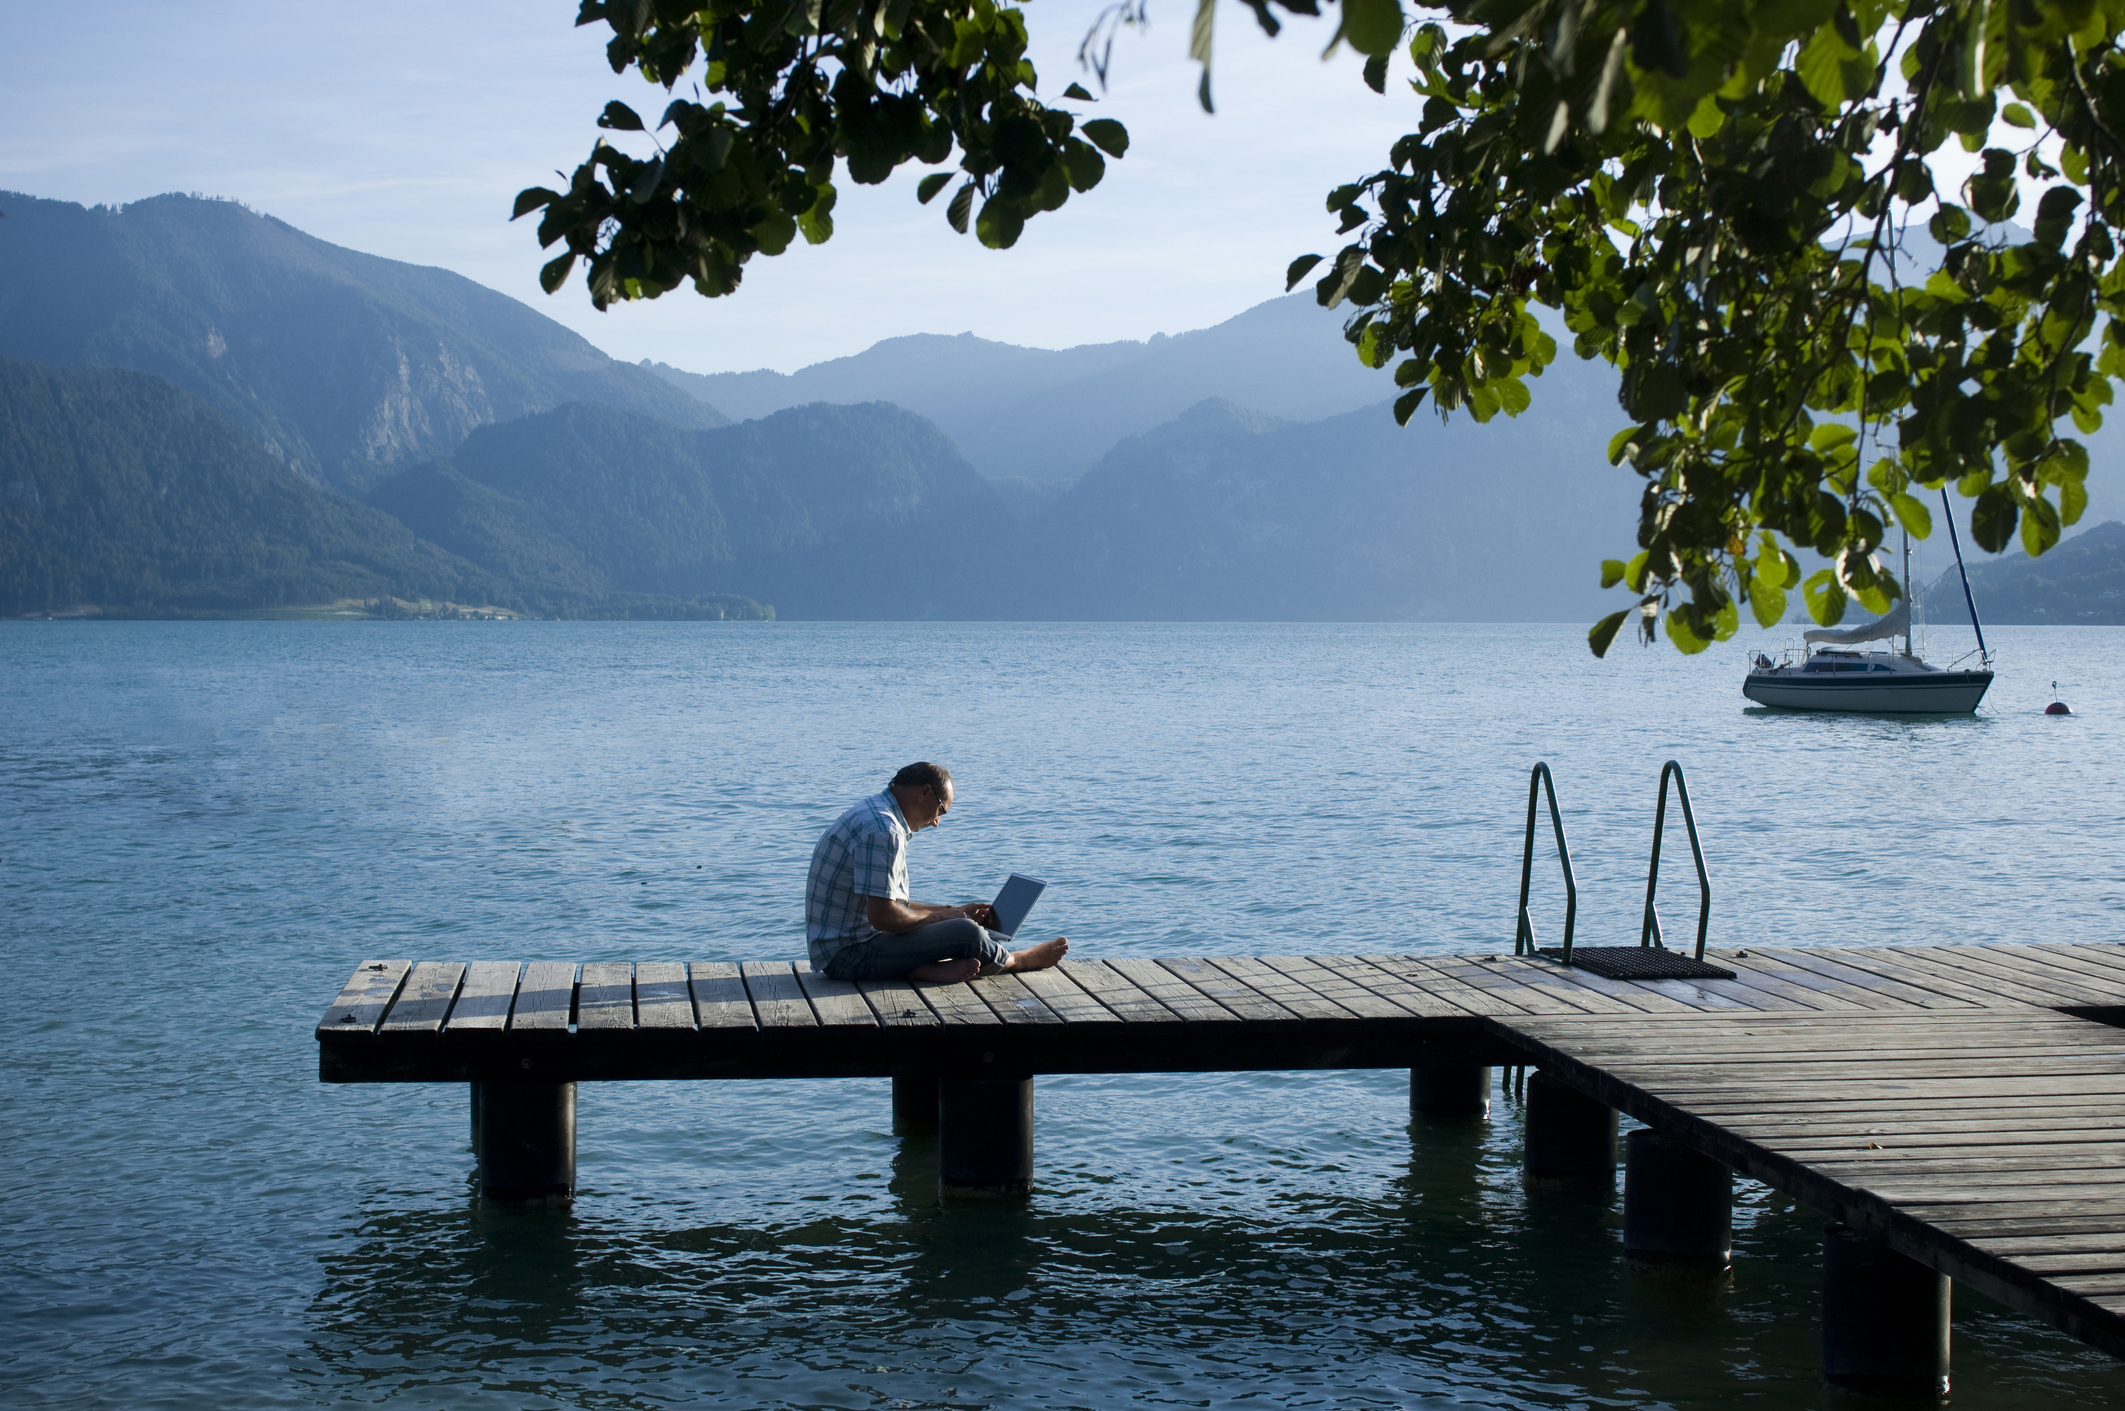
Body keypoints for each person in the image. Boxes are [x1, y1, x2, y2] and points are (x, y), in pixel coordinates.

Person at [805, 762, 1069, 983]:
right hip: (848, 957)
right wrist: (945, 920)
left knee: (959, 924)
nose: (936, 822)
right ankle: (1019, 960)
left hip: (847, 946)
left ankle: (921, 968)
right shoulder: (884, 831)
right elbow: (883, 917)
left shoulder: (875, 814)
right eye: (941, 810)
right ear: (925, 792)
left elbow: (889, 904)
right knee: (969, 934)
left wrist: (949, 911)